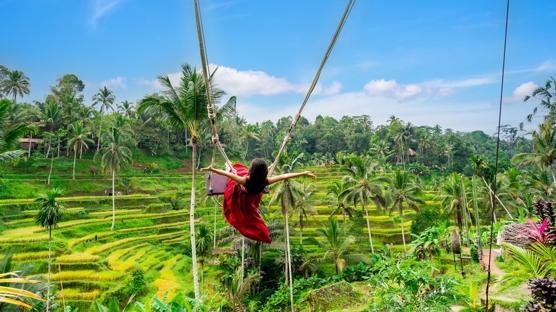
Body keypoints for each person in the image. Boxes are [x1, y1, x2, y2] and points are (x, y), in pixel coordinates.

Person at [201, 158, 315, 243]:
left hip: (238, 197)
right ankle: (231, 166)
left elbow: (228, 174)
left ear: (252, 170)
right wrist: (304, 173)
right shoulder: (266, 181)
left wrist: (211, 169)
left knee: (237, 171)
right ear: (265, 172)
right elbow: (285, 176)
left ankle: (229, 165)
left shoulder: (244, 180)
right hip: (250, 199)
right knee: (239, 171)